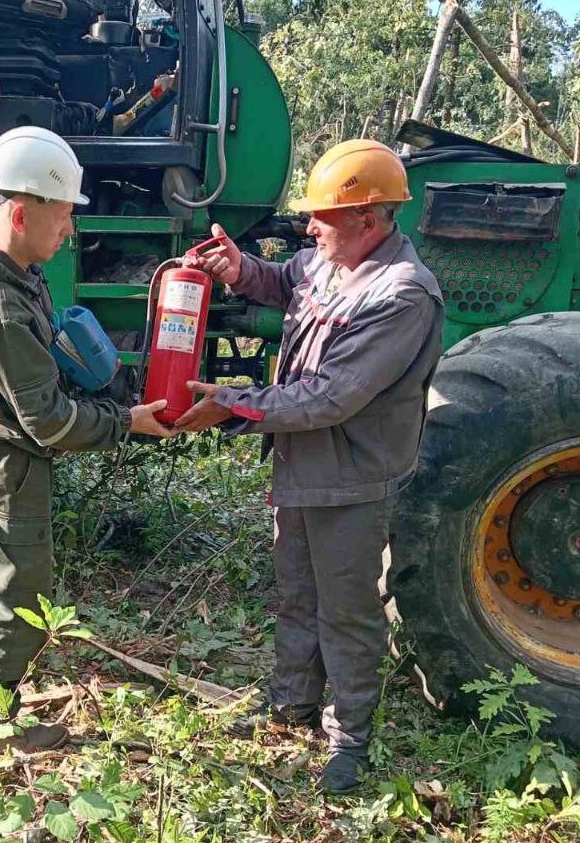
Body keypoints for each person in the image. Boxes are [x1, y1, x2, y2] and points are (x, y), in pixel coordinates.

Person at [175, 139, 444, 793]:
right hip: (302, 468)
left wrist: (232, 406)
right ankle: (291, 707)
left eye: (323, 216)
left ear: (370, 219)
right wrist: (240, 268)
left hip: (349, 479)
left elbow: (331, 395)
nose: (310, 227)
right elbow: (285, 279)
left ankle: (349, 739)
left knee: (346, 611)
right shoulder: (331, 259)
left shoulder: (403, 294)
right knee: (298, 596)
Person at [0, 126, 175, 751]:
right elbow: (49, 422)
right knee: (21, 585)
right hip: (8, 462)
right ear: (19, 212)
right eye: (63, 216)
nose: (69, 231)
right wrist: (129, 422)